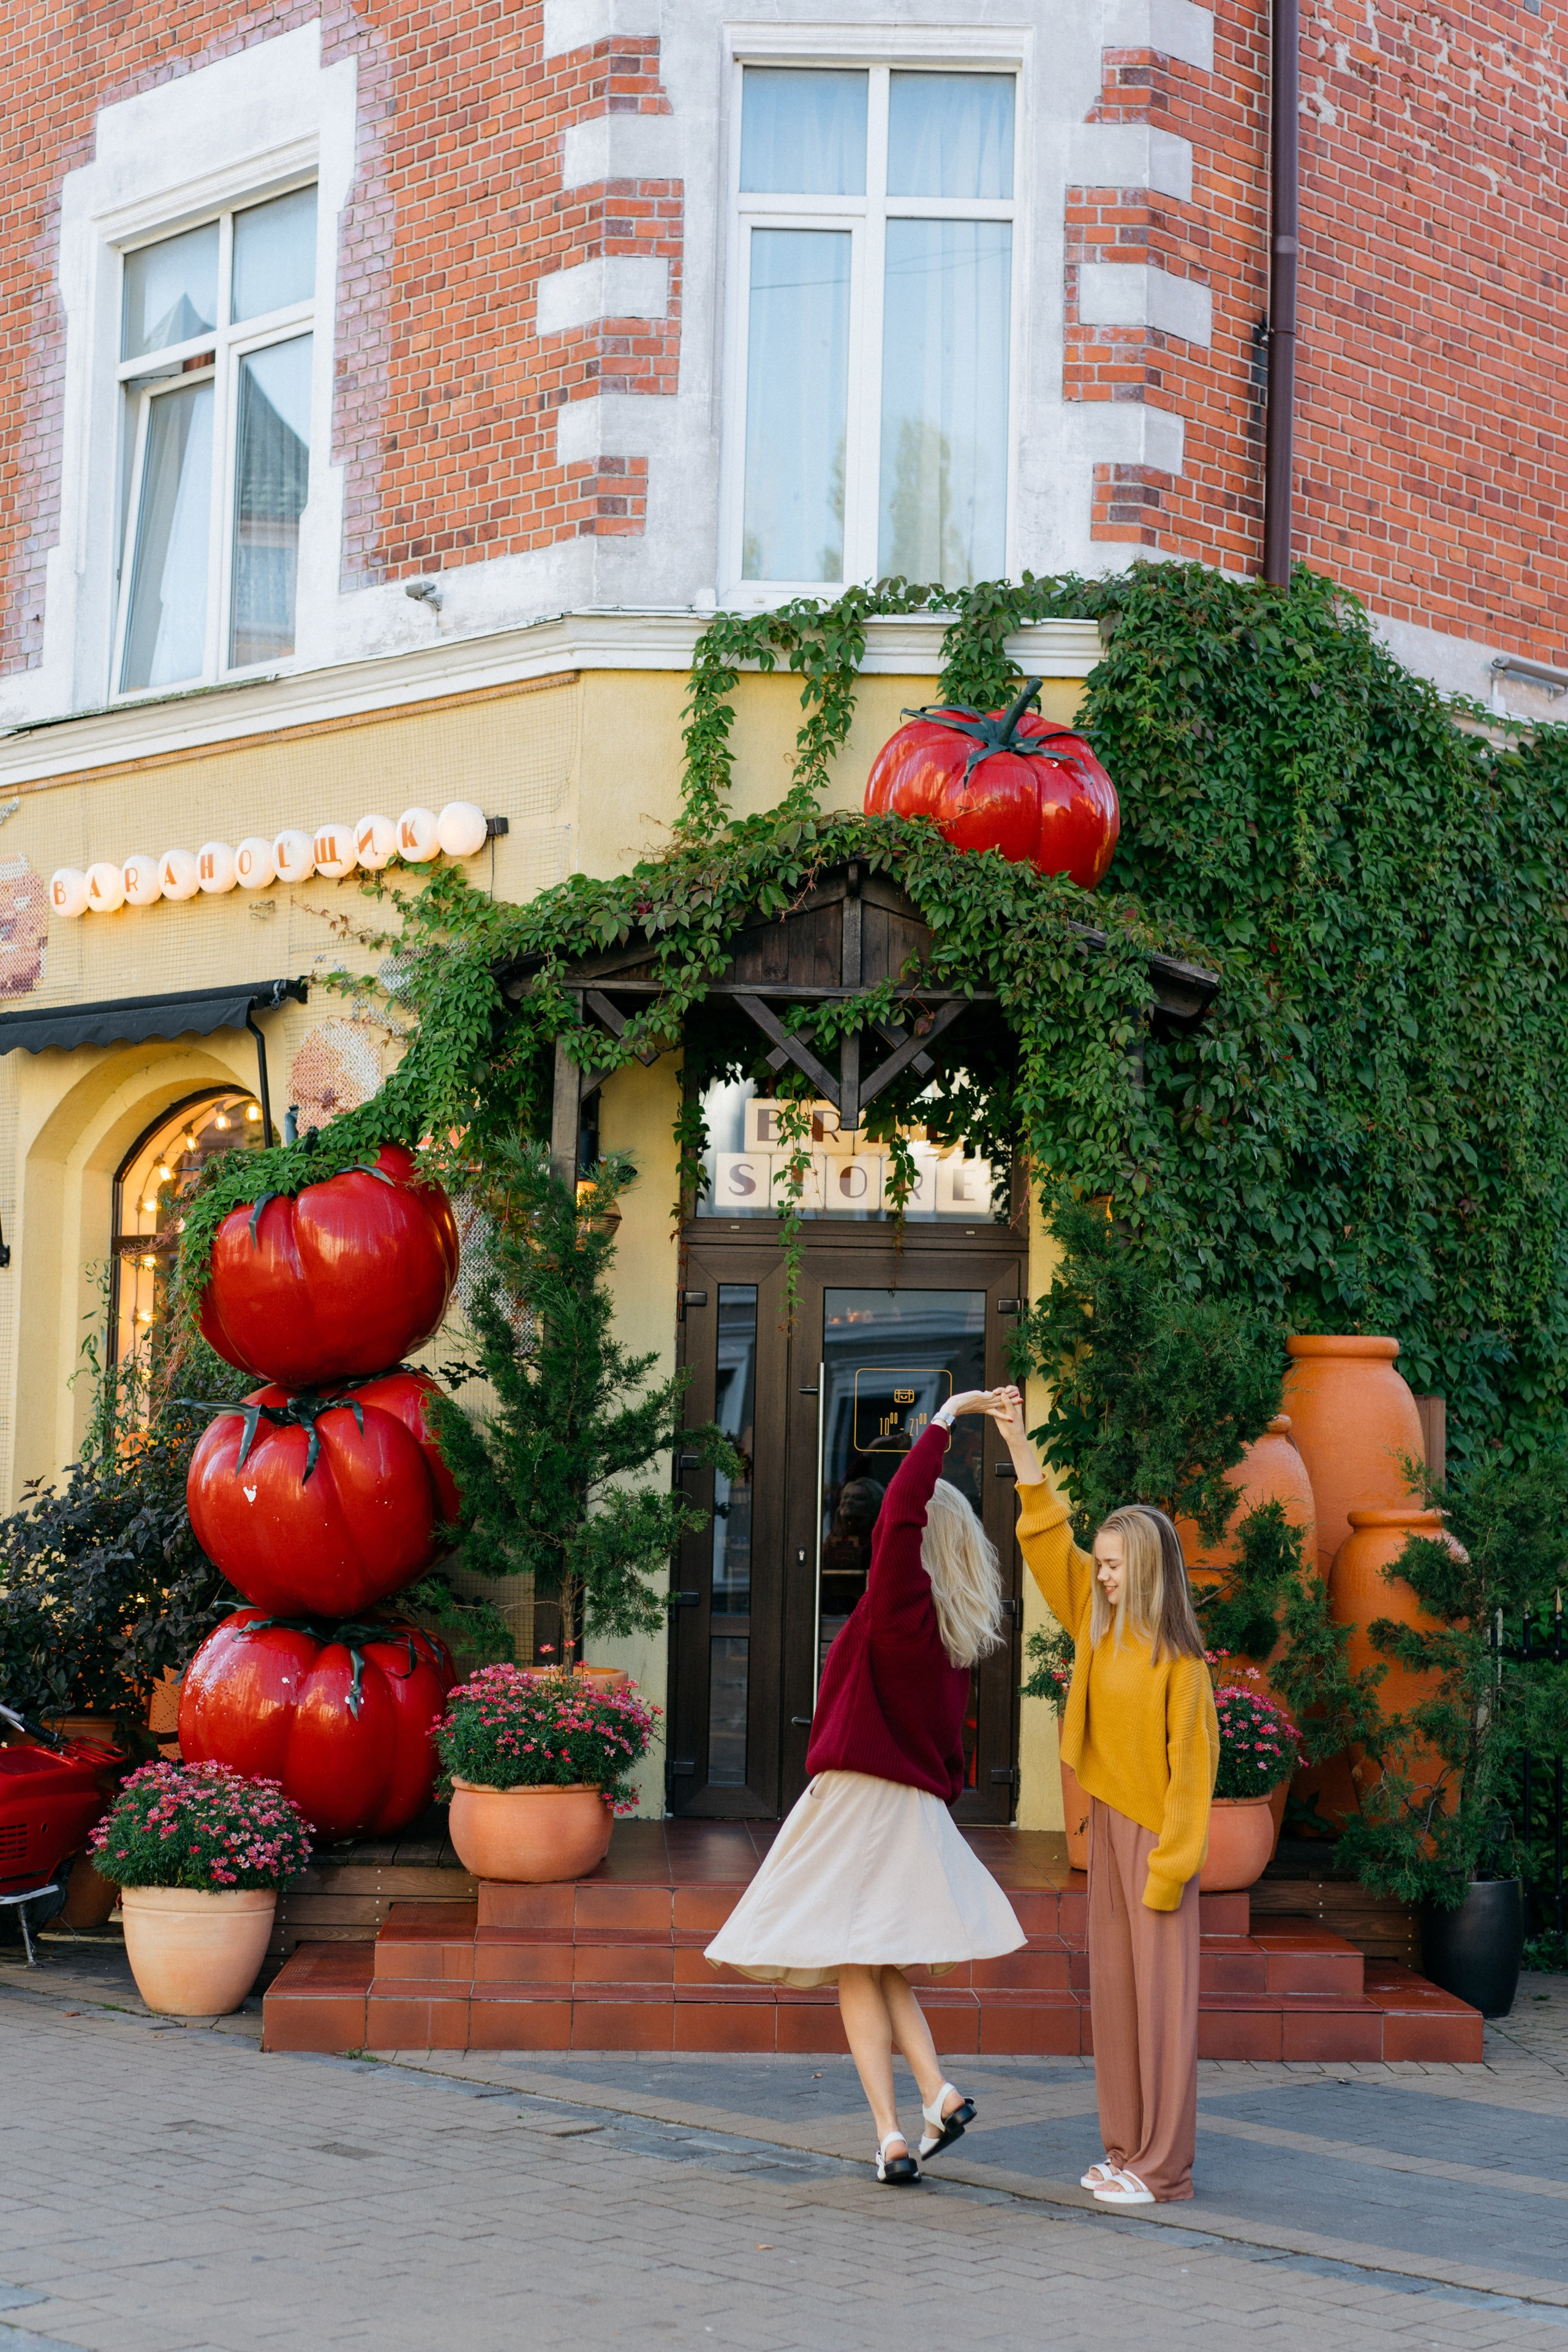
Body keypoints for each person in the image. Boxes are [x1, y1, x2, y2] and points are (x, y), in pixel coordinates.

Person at [705, 1390, 1025, 2184]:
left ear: (917, 1546)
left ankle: (887, 2136)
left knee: (855, 1961)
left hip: (857, 1798)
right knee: (879, 1961)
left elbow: (898, 1518)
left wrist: (947, 1415)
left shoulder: (899, 1609)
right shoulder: (952, 1635)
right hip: (912, 1806)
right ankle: (936, 2096)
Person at [990, 1383, 1218, 2207]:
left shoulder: (1181, 1666)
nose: (1104, 1574)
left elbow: (1194, 1779)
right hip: (1110, 1828)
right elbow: (1047, 1541)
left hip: (1157, 1845)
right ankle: (1126, 2151)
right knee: (1119, 2005)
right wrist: (1019, 1444)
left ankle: (1165, 2171)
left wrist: (1171, 1864)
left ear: (1149, 1571)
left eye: (1116, 1565)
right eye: (1104, 1564)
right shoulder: (1095, 1617)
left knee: (1163, 2015)